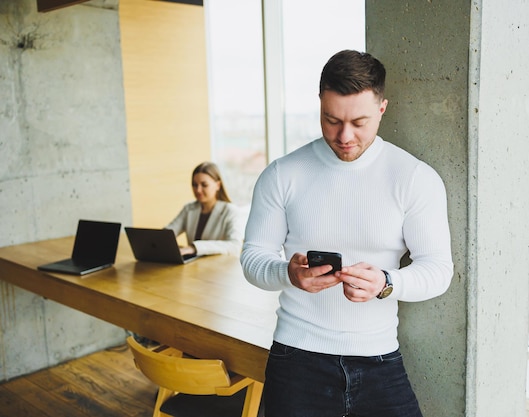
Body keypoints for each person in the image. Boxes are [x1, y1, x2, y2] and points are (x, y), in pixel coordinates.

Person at [240, 50, 454, 417]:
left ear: (382, 108)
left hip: (378, 358)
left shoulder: (414, 178)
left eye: (360, 121)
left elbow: (438, 270)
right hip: (296, 358)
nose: (345, 136)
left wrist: (386, 282)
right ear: (320, 105)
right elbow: (252, 257)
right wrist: (287, 274)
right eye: (332, 120)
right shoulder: (282, 175)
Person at [166, 161, 244, 257]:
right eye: (195, 185)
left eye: (204, 185)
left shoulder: (230, 211)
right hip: (195, 267)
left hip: (219, 269)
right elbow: (169, 233)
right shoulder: (189, 209)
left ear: (218, 185)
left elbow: (234, 246)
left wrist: (194, 248)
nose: (198, 190)